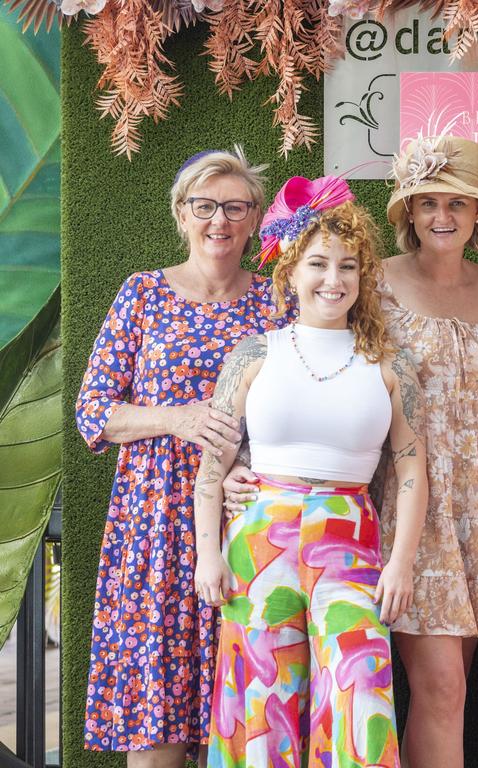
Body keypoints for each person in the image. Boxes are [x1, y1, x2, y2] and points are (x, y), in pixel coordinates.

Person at [192, 179, 428, 767]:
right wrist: (207, 553)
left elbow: (412, 469)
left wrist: (401, 562)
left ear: (363, 276)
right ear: (290, 271)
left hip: (350, 541)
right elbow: (212, 463)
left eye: (348, 266)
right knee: (257, 697)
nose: (333, 279)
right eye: (318, 263)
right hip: (257, 536)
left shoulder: (390, 364)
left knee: (359, 697)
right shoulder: (253, 355)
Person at [75, 147, 281, 765]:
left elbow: (304, 403)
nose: (220, 220)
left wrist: (252, 459)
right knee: (158, 725)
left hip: (246, 515)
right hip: (155, 523)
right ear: (181, 214)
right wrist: (177, 419)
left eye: (236, 207)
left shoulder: (280, 303)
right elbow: (94, 409)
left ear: (254, 220)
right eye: (205, 205)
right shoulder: (142, 294)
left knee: (246, 718)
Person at [380, 135, 478, 768]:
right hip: (407, 503)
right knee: (441, 687)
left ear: (477, 215)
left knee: (450, 691)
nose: (441, 216)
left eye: (456, 204)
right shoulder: (372, 282)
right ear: (408, 212)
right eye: (427, 202)